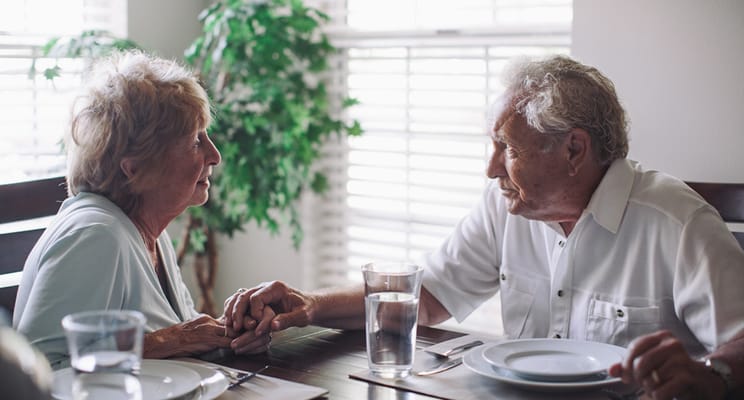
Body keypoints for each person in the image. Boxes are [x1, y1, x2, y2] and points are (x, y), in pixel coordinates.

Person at [224, 55, 744, 399]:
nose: (492, 168)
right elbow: (423, 299)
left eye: (510, 149)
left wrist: (712, 375)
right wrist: (308, 305)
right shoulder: (506, 207)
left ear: (574, 150)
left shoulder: (678, 221)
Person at [13, 50, 270, 369]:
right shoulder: (95, 235)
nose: (214, 155)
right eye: (194, 141)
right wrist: (174, 339)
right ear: (134, 169)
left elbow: (179, 339)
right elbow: (40, 371)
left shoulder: (147, 230)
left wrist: (233, 334)